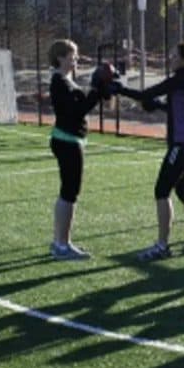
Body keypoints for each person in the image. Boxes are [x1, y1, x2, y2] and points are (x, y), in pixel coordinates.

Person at [116, 41, 184, 260]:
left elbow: (146, 94)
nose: (170, 59)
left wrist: (119, 89)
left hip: (182, 143)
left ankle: (162, 246)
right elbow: (176, 107)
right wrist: (157, 105)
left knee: (162, 190)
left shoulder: (182, 78)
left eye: (174, 56)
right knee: (183, 191)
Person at [47, 38, 109, 260]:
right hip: (67, 141)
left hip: (70, 140)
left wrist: (99, 90)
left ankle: (59, 241)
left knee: (68, 192)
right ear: (60, 57)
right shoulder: (60, 82)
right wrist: (96, 90)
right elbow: (78, 110)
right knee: (70, 193)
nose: (76, 59)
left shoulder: (65, 80)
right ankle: (62, 245)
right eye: (72, 56)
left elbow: (81, 105)